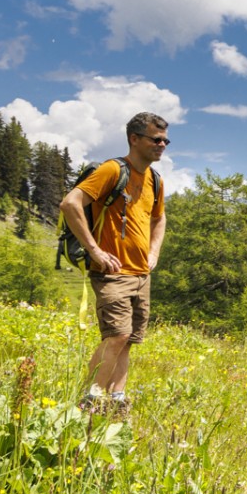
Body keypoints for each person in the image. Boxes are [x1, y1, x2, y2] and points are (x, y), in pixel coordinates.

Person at [59, 112, 169, 410]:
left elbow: (159, 218)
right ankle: (90, 398)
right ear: (134, 139)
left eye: (165, 140)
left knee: (129, 338)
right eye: (156, 139)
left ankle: (117, 400)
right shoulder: (112, 170)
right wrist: (94, 250)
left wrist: (154, 253)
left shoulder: (155, 180)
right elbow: (71, 203)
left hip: (140, 273)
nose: (162, 145)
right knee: (117, 334)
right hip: (112, 272)